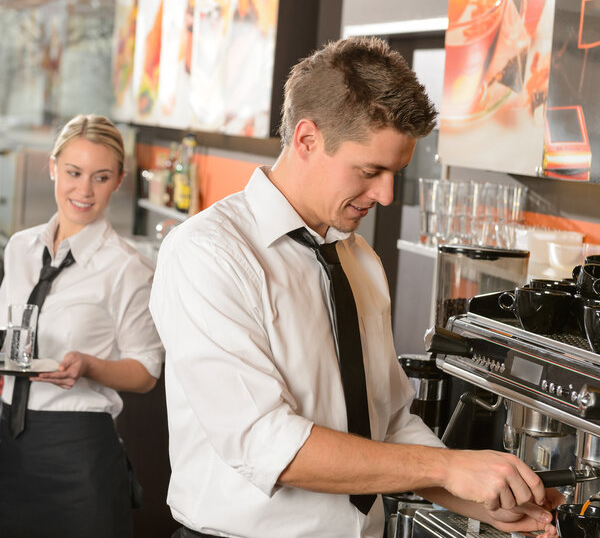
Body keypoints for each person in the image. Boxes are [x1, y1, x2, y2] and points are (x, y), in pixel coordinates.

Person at [149, 37, 560, 538]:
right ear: (306, 139)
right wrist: (448, 469)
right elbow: (265, 443)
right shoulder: (208, 253)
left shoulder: (359, 259)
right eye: (370, 171)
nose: (385, 195)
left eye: (396, 173)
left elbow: (386, 424)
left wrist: (480, 500)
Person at [0, 114, 164, 537]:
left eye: (101, 177)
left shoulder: (127, 268)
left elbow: (146, 372)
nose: (84, 190)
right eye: (73, 172)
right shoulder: (20, 248)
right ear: (53, 167)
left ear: (119, 180)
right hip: (6, 444)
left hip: (78, 452)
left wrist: (88, 365)